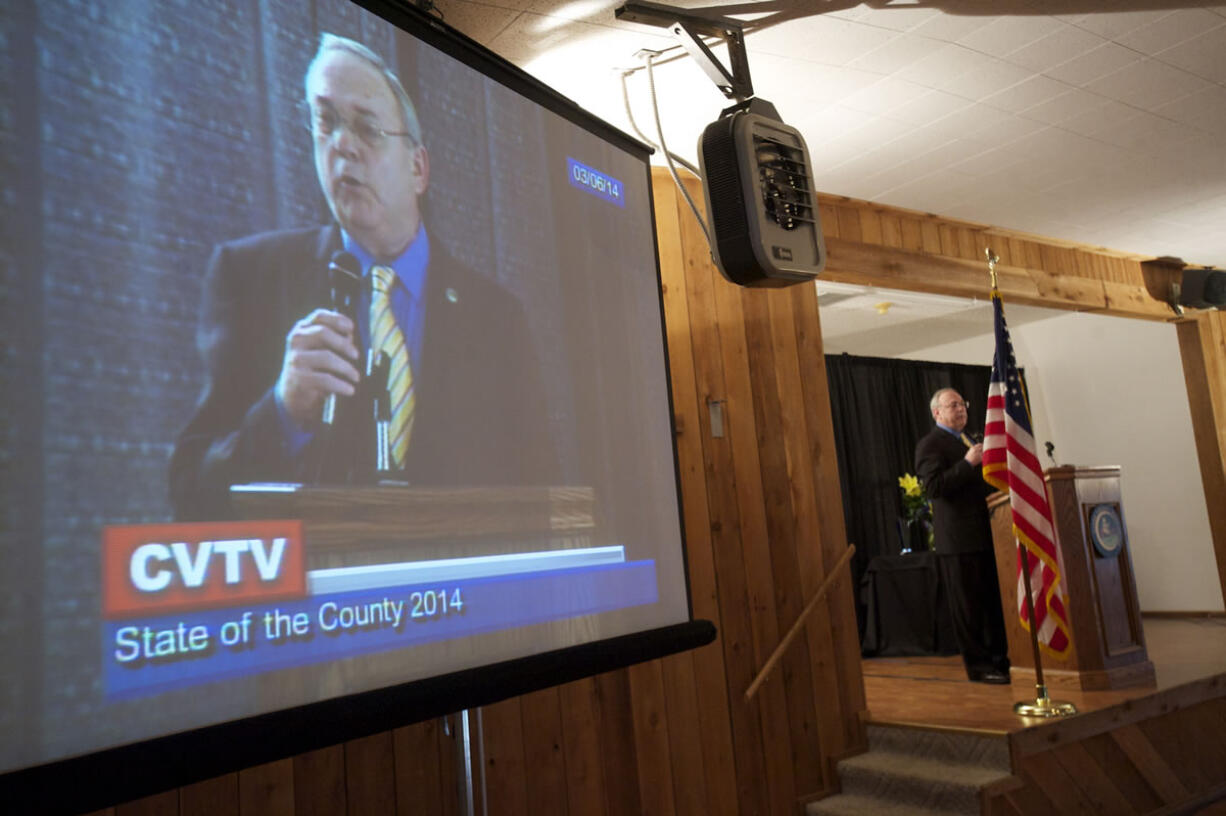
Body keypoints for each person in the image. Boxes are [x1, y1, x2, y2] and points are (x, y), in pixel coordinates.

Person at [169, 33, 555, 520]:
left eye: (367, 128)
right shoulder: (249, 280)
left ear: (418, 168)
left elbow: (543, 498)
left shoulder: (497, 317)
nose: (342, 145)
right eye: (326, 123)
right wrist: (283, 411)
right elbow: (190, 496)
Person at [914, 387, 1010, 684]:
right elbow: (933, 488)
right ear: (937, 413)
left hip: (988, 534)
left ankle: (1001, 660)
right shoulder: (931, 444)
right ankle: (979, 668)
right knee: (969, 608)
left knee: (993, 603)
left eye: (962, 404)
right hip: (958, 541)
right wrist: (967, 463)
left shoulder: (972, 439)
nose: (960, 409)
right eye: (952, 405)